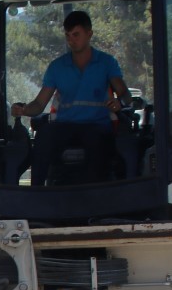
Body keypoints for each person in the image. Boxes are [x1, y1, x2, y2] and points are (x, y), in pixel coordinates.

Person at [11, 10, 129, 185]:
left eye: (76, 34)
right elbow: (39, 103)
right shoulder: (57, 67)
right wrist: (24, 110)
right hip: (65, 126)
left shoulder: (106, 63)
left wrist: (120, 102)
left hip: (96, 126)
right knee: (44, 136)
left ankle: (96, 197)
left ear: (89, 34)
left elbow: (125, 94)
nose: (71, 40)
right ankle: (36, 195)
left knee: (97, 144)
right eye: (68, 35)